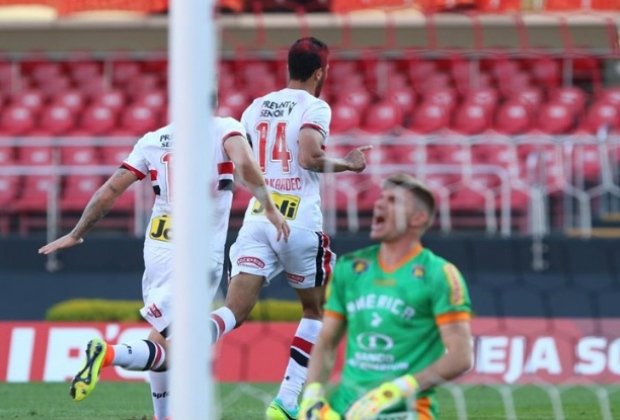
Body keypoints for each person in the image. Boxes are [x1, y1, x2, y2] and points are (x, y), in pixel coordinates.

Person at [38, 119, 289, 420]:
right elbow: (246, 165)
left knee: (163, 337)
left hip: (158, 246)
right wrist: (269, 206)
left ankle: (161, 414)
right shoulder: (224, 128)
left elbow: (110, 190)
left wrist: (77, 232)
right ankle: (109, 353)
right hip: (197, 250)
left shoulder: (153, 139)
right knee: (189, 343)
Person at [207, 36, 370, 420]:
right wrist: (348, 163)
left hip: (258, 218)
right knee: (318, 311)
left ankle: (175, 346)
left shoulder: (254, 107)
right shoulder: (315, 106)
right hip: (297, 222)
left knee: (233, 311)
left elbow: (241, 165)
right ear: (320, 72)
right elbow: (310, 157)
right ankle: (288, 401)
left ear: (287, 68)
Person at [298, 173, 473, 420]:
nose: (378, 204)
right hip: (344, 410)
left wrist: (396, 391)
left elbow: (460, 356)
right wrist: (312, 395)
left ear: (417, 218)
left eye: (392, 200)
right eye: (380, 198)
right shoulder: (350, 268)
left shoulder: (439, 274)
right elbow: (326, 341)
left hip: (406, 411)